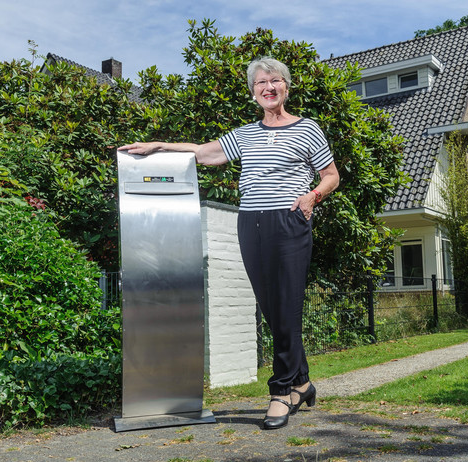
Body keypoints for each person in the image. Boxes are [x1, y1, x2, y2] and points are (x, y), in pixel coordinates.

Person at [119, 56, 339, 430]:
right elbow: (205, 153)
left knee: (287, 304)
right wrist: (158, 146)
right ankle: (302, 382)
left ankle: (281, 391)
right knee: (272, 307)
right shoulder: (245, 134)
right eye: (260, 84)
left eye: (274, 81)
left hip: (289, 220)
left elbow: (331, 175)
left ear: (286, 86)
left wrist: (312, 197)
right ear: (254, 93)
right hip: (250, 221)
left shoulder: (307, 129)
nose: (268, 88)